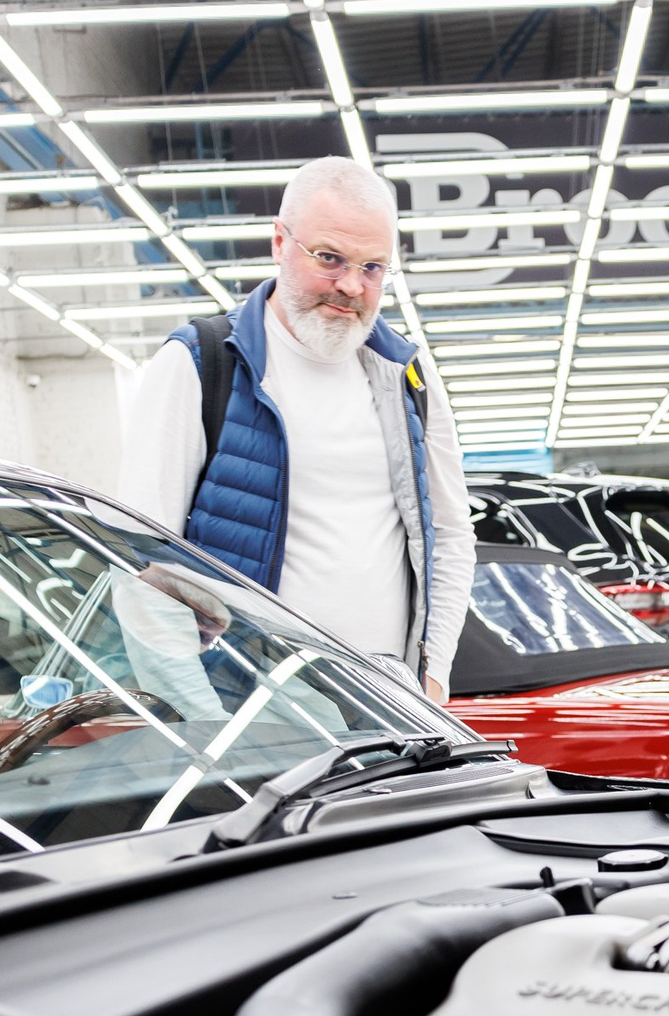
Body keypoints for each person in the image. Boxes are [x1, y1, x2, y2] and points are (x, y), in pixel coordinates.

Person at [116, 156, 473, 700]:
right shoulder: (200, 363)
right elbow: (141, 559)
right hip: (254, 716)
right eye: (330, 258)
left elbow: (448, 535)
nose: (352, 285)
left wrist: (433, 675)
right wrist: (205, 719)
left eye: (373, 267)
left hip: (391, 708)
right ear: (280, 242)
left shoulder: (407, 375)